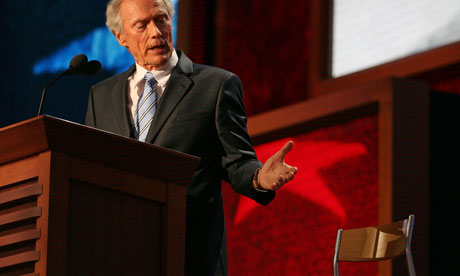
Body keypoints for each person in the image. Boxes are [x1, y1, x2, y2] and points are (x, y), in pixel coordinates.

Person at [85, 0, 297, 275]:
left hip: (189, 255)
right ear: (121, 37)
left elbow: (237, 162)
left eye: (160, 19)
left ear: (170, 20)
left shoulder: (216, 85)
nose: (155, 32)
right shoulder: (100, 96)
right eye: (141, 25)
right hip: (118, 255)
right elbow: (89, 171)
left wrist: (260, 178)